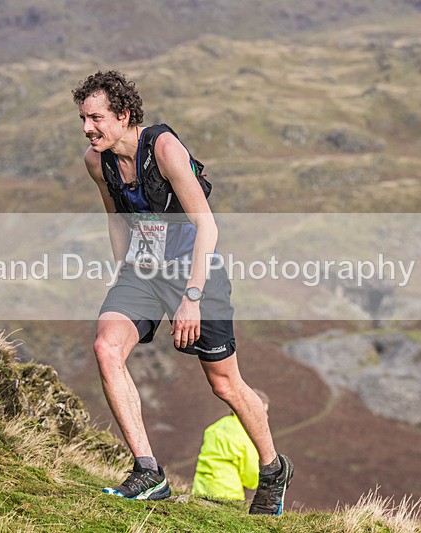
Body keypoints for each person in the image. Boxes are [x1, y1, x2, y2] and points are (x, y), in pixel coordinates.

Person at [72, 70, 293, 515]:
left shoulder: (165, 149)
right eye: (81, 118)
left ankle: (273, 469)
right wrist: (125, 277)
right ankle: (148, 472)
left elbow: (206, 225)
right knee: (105, 346)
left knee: (225, 384)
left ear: (124, 114)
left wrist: (191, 297)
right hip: (143, 272)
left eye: (95, 118)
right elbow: (116, 219)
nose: (86, 128)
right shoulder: (97, 162)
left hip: (197, 271)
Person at [192, 389, 270, 502]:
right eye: (264, 412)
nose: (266, 417)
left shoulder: (217, 426)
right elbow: (251, 471)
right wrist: (256, 482)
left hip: (200, 489)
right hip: (227, 493)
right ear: (252, 410)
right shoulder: (246, 433)